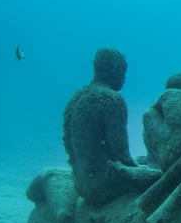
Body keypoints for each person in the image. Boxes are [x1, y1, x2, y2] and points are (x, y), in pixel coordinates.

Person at [62, 47, 159, 206]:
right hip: (104, 187)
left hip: (81, 185)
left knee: (144, 163)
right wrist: (146, 170)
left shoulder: (76, 99)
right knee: (164, 177)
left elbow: (68, 144)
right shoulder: (112, 100)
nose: (124, 78)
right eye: (124, 72)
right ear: (115, 70)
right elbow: (121, 156)